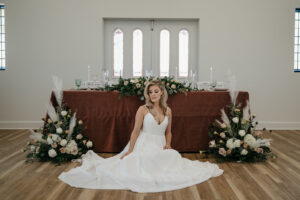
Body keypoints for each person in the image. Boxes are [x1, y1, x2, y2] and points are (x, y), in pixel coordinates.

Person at [58, 80, 224, 193]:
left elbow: (168, 131)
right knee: (138, 164)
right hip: (144, 143)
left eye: (156, 91)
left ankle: (165, 154)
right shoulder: (143, 109)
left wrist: (168, 144)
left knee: (172, 157)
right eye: (150, 92)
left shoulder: (168, 110)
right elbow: (135, 131)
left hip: (160, 143)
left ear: (161, 93)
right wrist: (130, 150)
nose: (153, 94)